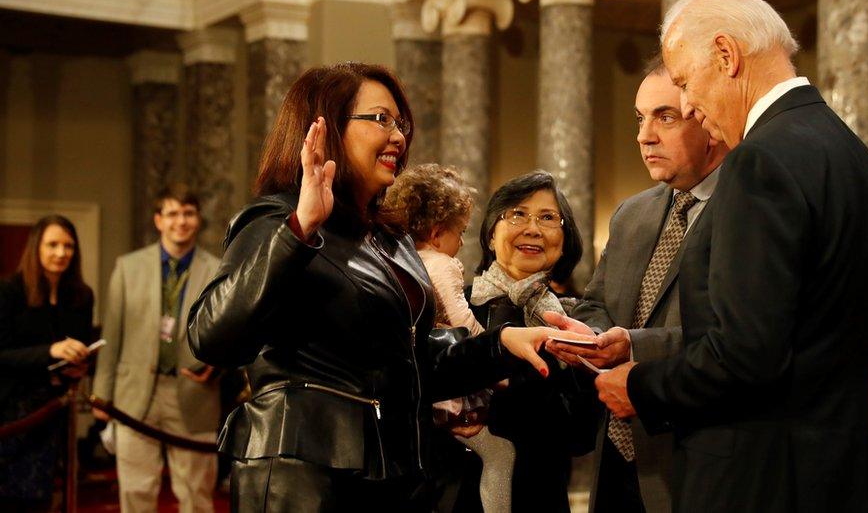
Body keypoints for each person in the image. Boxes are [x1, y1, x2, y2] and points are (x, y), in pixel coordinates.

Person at [569, 0, 868, 512]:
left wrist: (642, 386)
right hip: (838, 476)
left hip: (761, 481)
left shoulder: (759, 161)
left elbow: (745, 356)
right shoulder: (851, 153)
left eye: (683, 83)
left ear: (726, 55)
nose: (691, 106)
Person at [185, 62, 568, 512]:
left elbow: (415, 361)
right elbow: (211, 336)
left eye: (400, 123)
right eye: (381, 119)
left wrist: (501, 344)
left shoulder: (388, 236)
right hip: (305, 475)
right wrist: (299, 230)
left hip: (390, 471)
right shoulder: (277, 219)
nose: (399, 137)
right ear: (324, 128)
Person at [546, 57, 729, 513]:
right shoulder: (632, 213)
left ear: (709, 120)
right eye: (640, 118)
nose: (644, 135)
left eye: (665, 117)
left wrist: (634, 347)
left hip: (693, 463)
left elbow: (738, 340)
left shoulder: (745, 211)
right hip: (615, 463)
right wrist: (588, 339)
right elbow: (596, 304)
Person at [457, 170, 598, 513]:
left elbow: (582, 436)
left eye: (548, 218)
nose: (533, 228)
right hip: (456, 494)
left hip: (542, 495)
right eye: (517, 214)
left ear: (564, 241)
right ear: (491, 235)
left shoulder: (575, 320)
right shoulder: (455, 306)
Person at [383, 163, 516, 513]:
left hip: (420, 392)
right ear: (439, 231)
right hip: (449, 388)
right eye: (460, 233)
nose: (461, 243)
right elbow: (460, 320)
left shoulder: (396, 261)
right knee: (501, 453)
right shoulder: (441, 264)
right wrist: (494, 349)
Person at [92, 186, 221, 513]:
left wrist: (218, 366)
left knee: (197, 496)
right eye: (173, 213)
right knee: (135, 493)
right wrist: (101, 395)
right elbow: (112, 335)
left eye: (189, 213)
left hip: (194, 392)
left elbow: (228, 332)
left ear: (198, 219)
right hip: (134, 394)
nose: (181, 221)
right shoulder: (128, 267)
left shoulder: (218, 269)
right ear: (159, 220)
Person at [0, 215, 93, 510]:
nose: (61, 253)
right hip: (13, 411)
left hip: (56, 410)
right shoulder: (10, 291)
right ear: (36, 248)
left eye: (68, 246)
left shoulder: (81, 295)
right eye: (52, 245)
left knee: (48, 498)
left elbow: (80, 348)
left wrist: (80, 366)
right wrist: (51, 351)